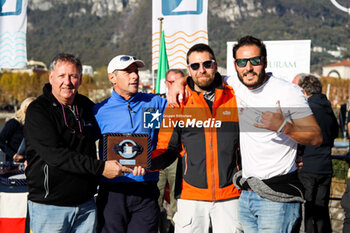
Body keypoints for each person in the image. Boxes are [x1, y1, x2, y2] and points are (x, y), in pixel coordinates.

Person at [168, 36, 322, 233]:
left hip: (277, 196)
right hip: (247, 195)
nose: (248, 67)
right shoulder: (234, 85)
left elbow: (316, 136)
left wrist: (284, 126)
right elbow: (201, 77)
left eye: (255, 61)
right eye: (242, 62)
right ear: (235, 65)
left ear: (265, 61)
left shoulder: (287, 91)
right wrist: (177, 83)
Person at [24, 53, 134, 233]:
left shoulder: (86, 106)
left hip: (86, 205)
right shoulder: (38, 110)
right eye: (61, 76)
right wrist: (101, 168)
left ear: (80, 79)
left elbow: (113, 127)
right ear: (51, 77)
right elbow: (56, 156)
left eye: (73, 76)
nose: (67, 82)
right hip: (50, 206)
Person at [151, 43, 242, 233]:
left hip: (231, 195)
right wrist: (145, 162)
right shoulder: (178, 101)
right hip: (191, 196)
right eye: (195, 66)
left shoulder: (235, 95)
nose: (202, 70)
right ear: (189, 70)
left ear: (216, 66)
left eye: (207, 64)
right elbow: (166, 146)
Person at [93, 55, 167, 233]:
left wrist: (181, 82)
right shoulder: (99, 111)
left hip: (145, 189)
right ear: (112, 77)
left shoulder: (154, 103)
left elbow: (183, 112)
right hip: (112, 192)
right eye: (128, 72)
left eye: (136, 71)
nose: (134, 76)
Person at [296, 75, 338, 233]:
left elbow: (298, 136)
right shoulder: (328, 108)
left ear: (303, 90)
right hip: (325, 166)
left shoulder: (307, 109)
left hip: (307, 165)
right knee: (321, 209)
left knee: (307, 211)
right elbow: (334, 133)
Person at [158, 69, 185, 233]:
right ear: (167, 84)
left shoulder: (188, 102)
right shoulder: (158, 103)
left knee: (177, 201)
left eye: (180, 81)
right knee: (156, 198)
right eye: (173, 82)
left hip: (178, 158)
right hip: (158, 158)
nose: (177, 85)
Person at [0, 97, 35, 164]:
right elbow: (1, 141)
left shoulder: (36, 126)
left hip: (30, 163)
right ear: (25, 109)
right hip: (13, 164)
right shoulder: (13, 123)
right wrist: (14, 155)